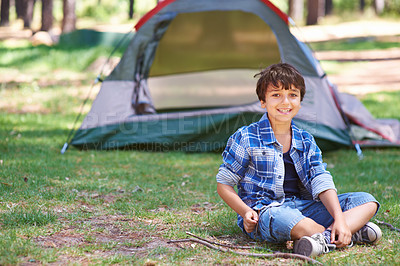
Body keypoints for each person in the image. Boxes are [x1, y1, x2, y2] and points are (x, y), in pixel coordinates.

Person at [216, 63, 381, 257]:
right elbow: (224, 184)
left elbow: (321, 179)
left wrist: (340, 218)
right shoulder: (246, 137)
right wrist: (245, 212)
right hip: (266, 212)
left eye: (293, 95)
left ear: (300, 101)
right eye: (276, 95)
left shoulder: (306, 139)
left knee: (367, 201)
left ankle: (328, 236)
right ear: (263, 101)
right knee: (286, 219)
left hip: (304, 207)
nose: (285, 102)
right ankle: (346, 234)